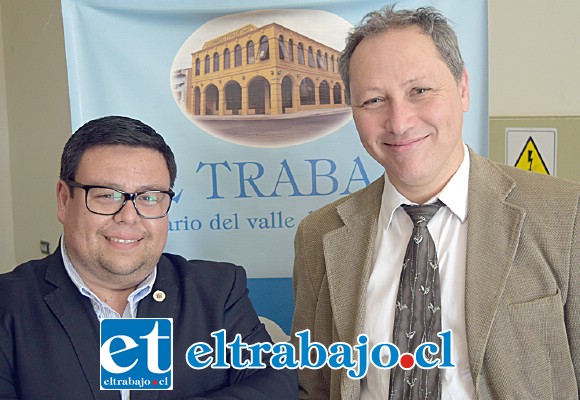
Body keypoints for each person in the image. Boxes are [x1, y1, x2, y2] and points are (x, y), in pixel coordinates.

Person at [290, 5, 579, 400]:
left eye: (419, 91)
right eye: (374, 100)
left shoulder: (566, 216)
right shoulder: (319, 235)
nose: (399, 121)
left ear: (462, 88)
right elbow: (314, 385)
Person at [0, 116, 298, 399]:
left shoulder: (218, 290)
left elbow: (274, 385)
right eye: (107, 195)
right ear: (65, 200)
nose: (129, 217)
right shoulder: (8, 303)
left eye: (150, 197)